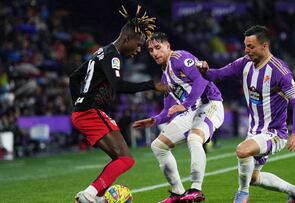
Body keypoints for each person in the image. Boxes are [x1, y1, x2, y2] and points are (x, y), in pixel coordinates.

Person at [197, 25, 295, 203]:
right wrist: (204, 71)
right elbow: (218, 75)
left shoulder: (280, 72)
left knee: (242, 150)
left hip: (274, 133)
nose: (246, 50)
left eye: (251, 46)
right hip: (255, 132)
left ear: (264, 46)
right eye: (245, 46)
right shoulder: (244, 63)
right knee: (253, 177)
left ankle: (242, 194)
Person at [69, 5, 168, 203]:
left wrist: (77, 105)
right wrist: (151, 85)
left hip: (84, 111)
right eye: (138, 45)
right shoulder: (112, 55)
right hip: (90, 111)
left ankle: (93, 197)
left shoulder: (100, 53)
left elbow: (74, 78)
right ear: (126, 39)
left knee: (120, 159)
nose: (139, 50)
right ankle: (90, 194)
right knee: (126, 159)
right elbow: (118, 85)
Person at [132, 32, 224, 203]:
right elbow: (168, 108)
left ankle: (196, 189)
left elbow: (201, 81)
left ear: (168, 46)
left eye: (158, 47)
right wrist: (155, 120)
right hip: (191, 110)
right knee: (158, 146)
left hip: (210, 104)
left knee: (194, 138)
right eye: (151, 50)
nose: (154, 53)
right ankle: (178, 193)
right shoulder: (164, 75)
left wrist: (185, 104)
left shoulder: (181, 57)